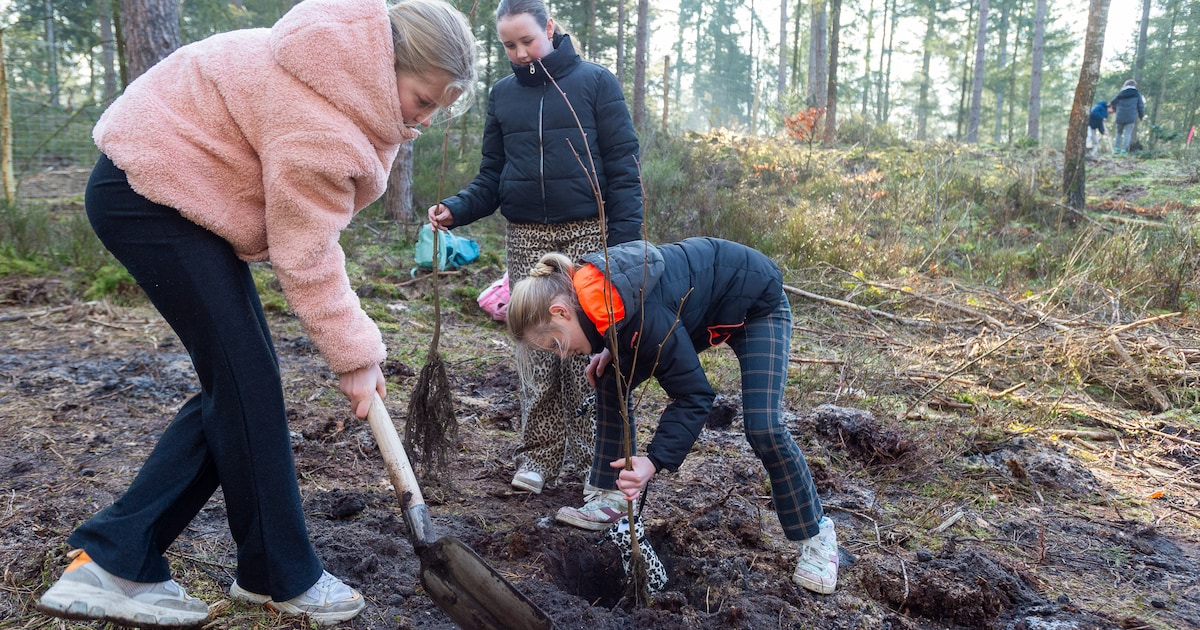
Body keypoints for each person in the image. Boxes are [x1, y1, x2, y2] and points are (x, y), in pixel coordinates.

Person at [35, 0, 476, 627]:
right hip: (149, 195)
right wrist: (355, 355)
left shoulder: (330, 65)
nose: (426, 120)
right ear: (386, 66)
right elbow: (306, 255)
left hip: (173, 194)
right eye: (423, 99)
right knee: (245, 386)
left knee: (242, 386)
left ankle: (125, 556)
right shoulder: (322, 119)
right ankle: (271, 574)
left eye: (440, 108)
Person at [505, 238, 839, 595]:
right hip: (695, 314)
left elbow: (694, 396)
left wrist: (653, 461)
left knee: (764, 426)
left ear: (560, 311)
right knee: (608, 377)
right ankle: (613, 496)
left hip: (756, 305)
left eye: (555, 343)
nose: (560, 355)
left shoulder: (639, 316)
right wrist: (609, 347)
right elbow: (627, 324)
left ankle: (817, 536)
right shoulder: (597, 299)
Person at [427, 0, 642, 496]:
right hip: (526, 236)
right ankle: (538, 455)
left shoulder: (596, 83)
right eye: (509, 45)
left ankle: (602, 465)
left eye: (528, 40)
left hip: (591, 234)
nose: (521, 53)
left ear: (549, 27)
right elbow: (493, 176)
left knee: (589, 352)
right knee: (535, 351)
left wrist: (626, 252)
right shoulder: (503, 96)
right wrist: (456, 208)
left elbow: (625, 172)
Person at [1109, 79, 1146, 154]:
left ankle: (1116, 149)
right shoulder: (1137, 94)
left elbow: (1112, 102)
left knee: (1118, 133)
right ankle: (1124, 150)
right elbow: (1140, 106)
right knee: (1127, 133)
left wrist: (1116, 109)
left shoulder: (1121, 93)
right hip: (1131, 116)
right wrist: (1141, 116)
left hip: (1120, 116)